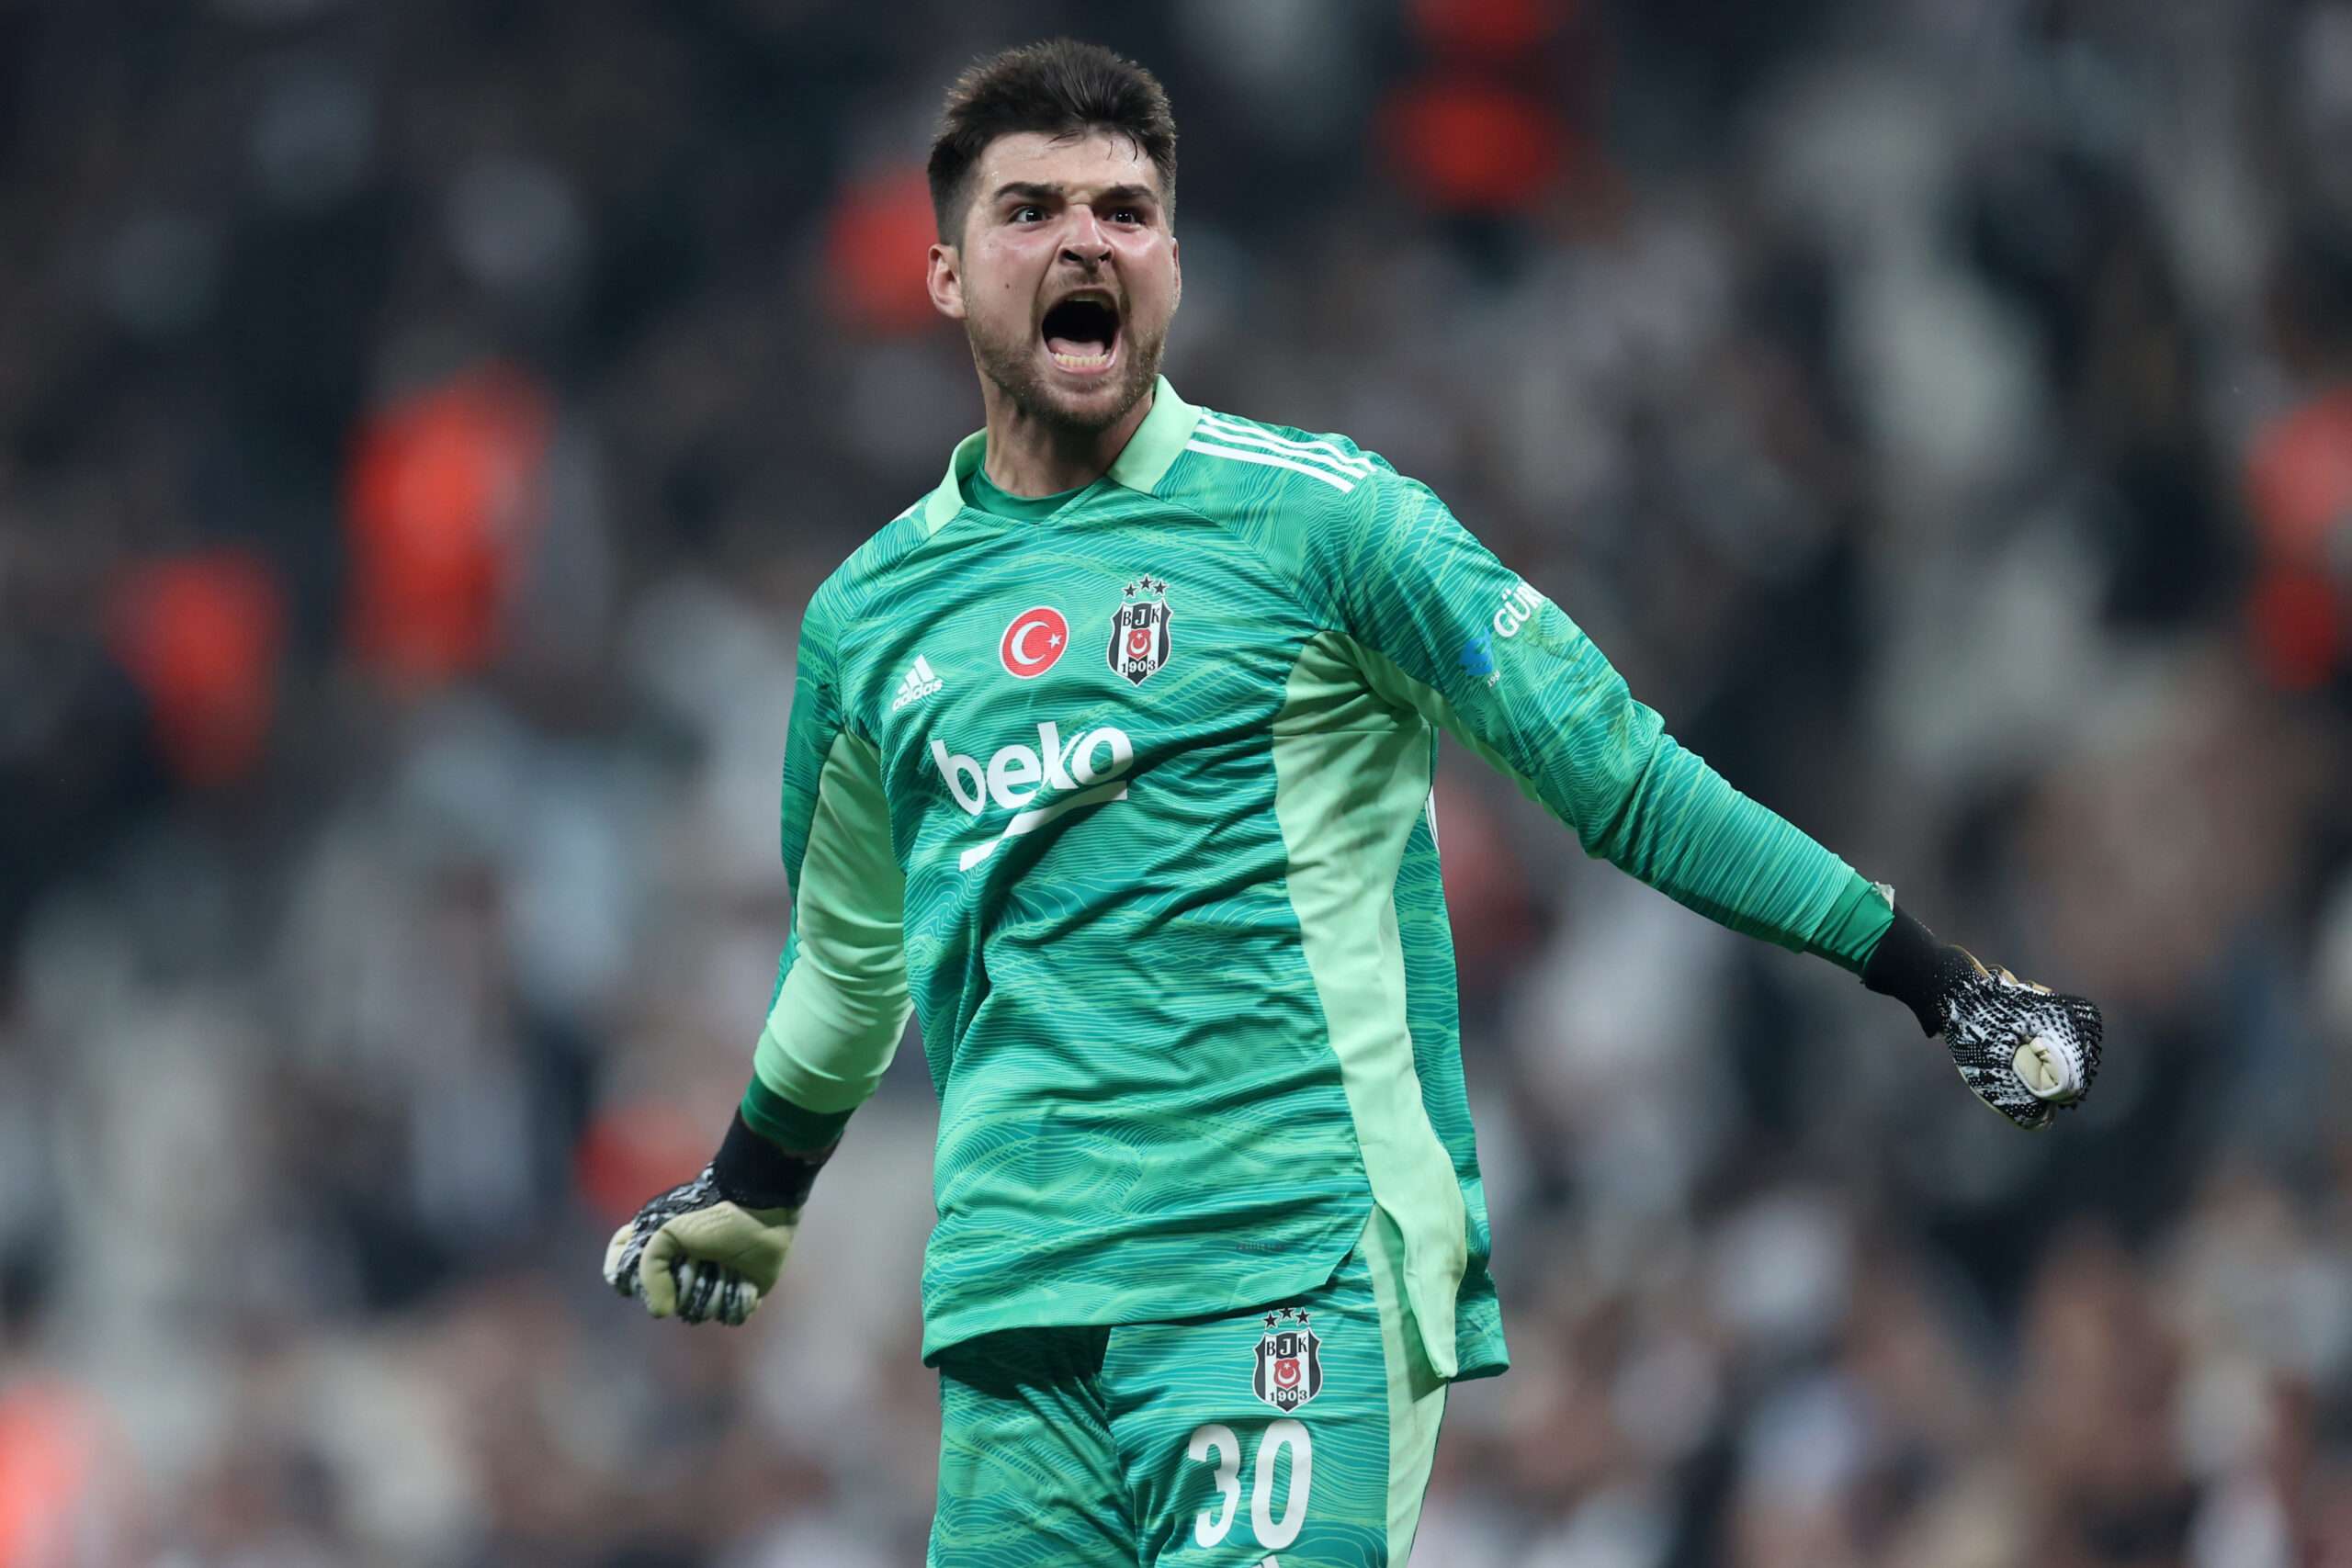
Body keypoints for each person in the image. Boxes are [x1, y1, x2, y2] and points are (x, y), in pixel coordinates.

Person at [603, 38, 2104, 1567]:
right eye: (1030, 211)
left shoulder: (1329, 526)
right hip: (1017, 1320)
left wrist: (1929, 976)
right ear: (946, 275)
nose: (1082, 245)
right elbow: (848, 960)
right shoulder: (870, 621)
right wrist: (751, 1193)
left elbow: (1623, 781)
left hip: (1288, 1266)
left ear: (1172, 266)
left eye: (1124, 212)